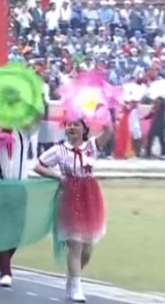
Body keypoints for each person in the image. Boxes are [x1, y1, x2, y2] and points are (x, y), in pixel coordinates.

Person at [33, 118, 113, 303]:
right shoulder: (59, 150)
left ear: (85, 128)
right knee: (75, 244)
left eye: (76, 124)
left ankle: (71, 279)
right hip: (69, 197)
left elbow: (108, 132)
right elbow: (38, 166)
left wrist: (102, 113)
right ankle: (76, 287)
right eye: (69, 124)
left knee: (87, 249)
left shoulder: (92, 145)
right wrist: (57, 176)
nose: (71, 127)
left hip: (90, 197)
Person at [0, 118, 39, 288]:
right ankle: (5, 271)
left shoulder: (23, 131)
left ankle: (2, 259)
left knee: (17, 231)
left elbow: (37, 116)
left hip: (18, 188)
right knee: (1, 229)